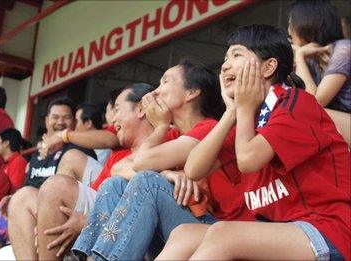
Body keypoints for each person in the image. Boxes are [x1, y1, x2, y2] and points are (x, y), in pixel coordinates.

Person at [159, 24, 350, 260]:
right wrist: (231, 112)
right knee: (184, 234)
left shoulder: (294, 103)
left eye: (237, 55)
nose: (225, 64)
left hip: (329, 231)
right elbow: (194, 169)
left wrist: (245, 108)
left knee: (223, 234)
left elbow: (249, 160)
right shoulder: (243, 119)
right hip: (281, 232)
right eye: (225, 58)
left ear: (269, 66)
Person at [72, 59, 252, 260]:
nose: (155, 92)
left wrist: (160, 127)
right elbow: (119, 168)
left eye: (165, 82)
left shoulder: (209, 128)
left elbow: (141, 165)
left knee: (147, 181)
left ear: (192, 93)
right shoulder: (175, 137)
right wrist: (166, 173)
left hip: (221, 228)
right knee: (114, 185)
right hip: (190, 225)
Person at [35, 83, 159, 260]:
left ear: (140, 109)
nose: (113, 118)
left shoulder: (168, 138)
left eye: (117, 109)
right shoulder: (121, 145)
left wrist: (89, 222)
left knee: (56, 186)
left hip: (127, 222)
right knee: (22, 198)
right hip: (98, 210)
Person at [0, 97, 96, 259]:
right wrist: (11, 197)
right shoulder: (37, 156)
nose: (60, 122)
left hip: (66, 211)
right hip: (38, 211)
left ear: (73, 122)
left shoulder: (79, 149)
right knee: (18, 198)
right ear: (46, 121)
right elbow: (27, 187)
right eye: (55, 117)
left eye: (66, 118)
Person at [289, 0, 350, 145]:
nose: (289, 32)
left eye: (291, 26)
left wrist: (299, 56)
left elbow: (315, 102)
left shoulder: (344, 49)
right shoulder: (313, 59)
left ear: (307, 23)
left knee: (303, 112)